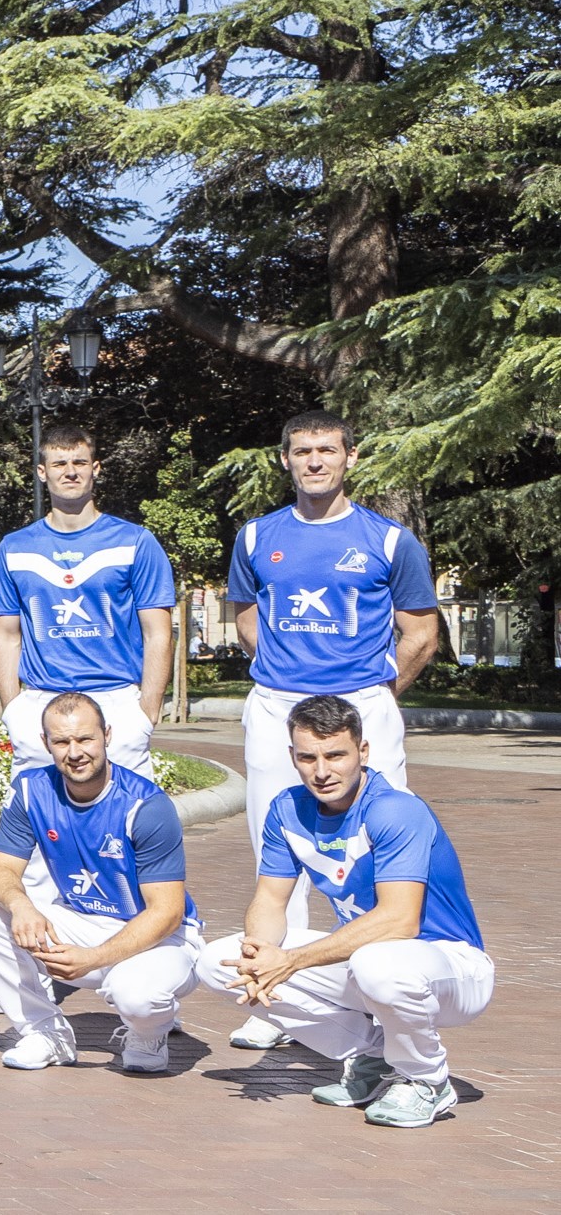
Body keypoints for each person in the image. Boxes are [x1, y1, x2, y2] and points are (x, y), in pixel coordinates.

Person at [220, 411, 441, 1051]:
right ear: (284, 459)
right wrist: (288, 674)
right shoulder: (256, 537)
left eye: (326, 450)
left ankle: (379, 992)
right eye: (302, 451)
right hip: (277, 706)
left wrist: (374, 698)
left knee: (375, 847)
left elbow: (420, 633)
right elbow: (247, 619)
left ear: (350, 457)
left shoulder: (390, 541)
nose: (314, 461)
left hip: (362, 704)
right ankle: (276, 996)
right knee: (276, 845)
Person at [205, 694, 490, 1129]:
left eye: (336, 755)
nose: (321, 771)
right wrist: (260, 954)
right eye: (308, 758)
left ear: (363, 751)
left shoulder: (395, 809)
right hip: (367, 961)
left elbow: (399, 920)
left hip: (451, 967)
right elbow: (270, 900)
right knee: (218, 962)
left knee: (378, 963)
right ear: (293, 757)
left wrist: (291, 961)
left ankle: (426, 1079)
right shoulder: (287, 809)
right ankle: (373, 1058)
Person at [0, 692, 200, 1074]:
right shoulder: (30, 790)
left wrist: (93, 958)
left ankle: (148, 1034)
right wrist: (22, 906)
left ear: (107, 735)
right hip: (81, 920)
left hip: (160, 937)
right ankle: (45, 1033)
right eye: (61, 741)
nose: (74, 752)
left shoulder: (146, 806)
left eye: (85, 739)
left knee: (136, 995)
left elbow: (168, 912)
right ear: (46, 743)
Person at [0, 425, 177, 776]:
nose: (70, 472)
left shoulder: (135, 542)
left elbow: (158, 633)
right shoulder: (14, 547)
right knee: (36, 810)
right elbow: (6, 635)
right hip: (40, 702)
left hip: (116, 701)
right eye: (59, 464)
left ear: (96, 468)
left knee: (126, 810)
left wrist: (147, 711)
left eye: (79, 462)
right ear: (42, 472)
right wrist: (12, 709)